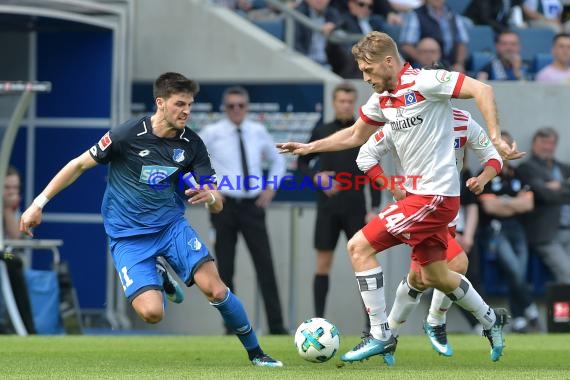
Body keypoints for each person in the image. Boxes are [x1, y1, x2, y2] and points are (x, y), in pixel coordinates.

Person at [277, 31, 522, 365]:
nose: (365, 78)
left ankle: (381, 334)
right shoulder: (382, 100)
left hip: (432, 196)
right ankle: (492, 321)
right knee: (434, 275)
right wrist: (309, 147)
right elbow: (354, 136)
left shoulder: (426, 81)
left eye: (368, 70)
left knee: (358, 247)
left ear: (388, 62)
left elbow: (483, 89)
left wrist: (495, 137)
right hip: (425, 199)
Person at [19, 72, 282, 367]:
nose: (186, 111)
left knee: (216, 289)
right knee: (152, 314)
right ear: (160, 103)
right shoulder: (125, 135)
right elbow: (78, 165)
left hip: (171, 227)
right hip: (127, 236)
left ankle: (256, 353)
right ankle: (157, 274)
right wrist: (37, 204)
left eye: (189, 105)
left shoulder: (192, 145)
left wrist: (209, 198)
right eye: (179, 104)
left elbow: (217, 201)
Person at [383, 107, 502, 357]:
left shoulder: (463, 120)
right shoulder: (407, 119)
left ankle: (387, 335)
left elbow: (493, 158)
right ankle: (439, 321)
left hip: (447, 209)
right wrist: (393, 185)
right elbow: (370, 151)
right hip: (417, 207)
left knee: (418, 279)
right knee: (457, 263)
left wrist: (482, 178)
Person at [199, 86, 288, 335]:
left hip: (252, 206)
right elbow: (194, 160)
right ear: (224, 108)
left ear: (247, 107)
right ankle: (231, 327)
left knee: (265, 266)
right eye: (231, 106)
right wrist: (210, 188)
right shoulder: (212, 133)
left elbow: (279, 159)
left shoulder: (257, 131)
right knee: (225, 268)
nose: (236, 110)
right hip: (224, 206)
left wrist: (270, 188)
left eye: (241, 105)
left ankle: (277, 326)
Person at [296, 81, 381, 323]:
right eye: (340, 101)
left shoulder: (362, 131)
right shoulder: (322, 131)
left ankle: (372, 325)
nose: (345, 105)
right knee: (323, 265)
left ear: (354, 103)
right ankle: (318, 322)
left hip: (357, 209)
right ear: (334, 103)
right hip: (328, 209)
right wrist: (316, 177)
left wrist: (374, 209)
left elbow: (374, 171)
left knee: (364, 264)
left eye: (349, 101)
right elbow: (302, 161)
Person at [478, 131, 540, 334]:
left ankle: (519, 318)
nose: (505, 151)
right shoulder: (485, 173)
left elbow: (528, 204)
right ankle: (529, 307)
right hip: (495, 229)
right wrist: (514, 203)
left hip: (518, 228)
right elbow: (490, 208)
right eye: (500, 147)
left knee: (518, 273)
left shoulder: (519, 173)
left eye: (508, 146)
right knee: (513, 269)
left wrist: (503, 201)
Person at [517, 127, 570, 285]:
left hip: (568, 230)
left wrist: (556, 185)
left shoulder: (563, 168)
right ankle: (563, 310)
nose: (547, 147)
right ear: (534, 144)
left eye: (551, 143)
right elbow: (544, 194)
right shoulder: (527, 168)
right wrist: (565, 185)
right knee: (567, 276)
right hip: (547, 236)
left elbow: (551, 192)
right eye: (543, 142)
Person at [1, 165, 37, 334]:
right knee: (12, 259)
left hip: (6, 253)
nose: (11, 192)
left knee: (13, 259)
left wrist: (8, 209)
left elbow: (16, 237)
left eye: (15, 188)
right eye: (7, 187)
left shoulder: (13, 209)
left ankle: (25, 325)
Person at [399, 0, 469, 72]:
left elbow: (462, 43)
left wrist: (459, 63)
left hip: (449, 65)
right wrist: (424, 59)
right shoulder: (416, 14)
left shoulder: (452, 14)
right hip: (424, 66)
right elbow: (407, 45)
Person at [326, 0, 386, 78]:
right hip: (355, 70)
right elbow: (344, 53)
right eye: (361, 4)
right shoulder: (344, 22)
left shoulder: (374, 22)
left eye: (370, 6)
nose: (366, 9)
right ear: (351, 4)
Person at [294, 0, 342, 68]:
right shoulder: (297, 14)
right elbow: (296, 46)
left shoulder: (333, 14)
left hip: (329, 66)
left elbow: (343, 27)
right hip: (305, 66)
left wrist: (334, 27)